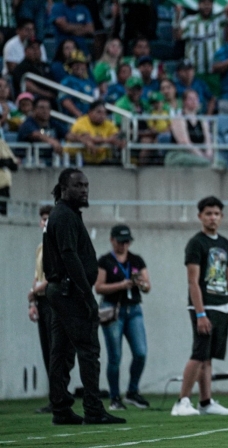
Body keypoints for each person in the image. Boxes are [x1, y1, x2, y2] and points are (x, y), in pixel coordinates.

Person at [43, 169, 126, 425]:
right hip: (70, 292)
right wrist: (87, 295)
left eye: (86, 185)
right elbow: (69, 256)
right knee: (88, 349)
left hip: (61, 291)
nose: (84, 190)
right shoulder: (65, 216)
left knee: (62, 352)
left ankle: (61, 409)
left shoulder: (63, 214)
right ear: (64, 188)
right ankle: (93, 408)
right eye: (78, 185)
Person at [171, 196, 228, 417]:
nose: (213, 217)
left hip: (222, 306)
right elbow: (193, 280)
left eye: (217, 214)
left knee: (209, 356)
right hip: (203, 306)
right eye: (208, 213)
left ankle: (205, 401)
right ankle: (182, 401)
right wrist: (200, 312)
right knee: (199, 354)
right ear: (200, 216)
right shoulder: (196, 243)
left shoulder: (225, 243)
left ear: (221, 217)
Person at [94, 224, 151, 411]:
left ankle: (132, 392)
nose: (124, 245)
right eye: (121, 242)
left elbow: (148, 286)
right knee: (115, 356)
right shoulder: (105, 261)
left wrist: (140, 284)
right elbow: (98, 287)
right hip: (113, 309)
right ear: (112, 240)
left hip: (133, 308)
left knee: (141, 352)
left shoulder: (136, 260)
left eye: (127, 242)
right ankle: (114, 397)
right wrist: (121, 285)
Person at [174, 0, 228, 97]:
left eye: (209, 4)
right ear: (198, 5)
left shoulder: (218, 20)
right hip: (195, 73)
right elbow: (177, 36)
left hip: (215, 73)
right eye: (204, 3)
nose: (207, 6)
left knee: (214, 101)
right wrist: (177, 15)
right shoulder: (189, 21)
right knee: (196, 101)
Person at [27, 204, 54, 413]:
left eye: (48, 219)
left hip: (54, 301)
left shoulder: (56, 245)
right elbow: (37, 276)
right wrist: (32, 301)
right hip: (42, 301)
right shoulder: (40, 247)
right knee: (47, 351)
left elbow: (54, 277)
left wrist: (38, 289)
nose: (45, 222)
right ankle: (55, 398)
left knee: (56, 351)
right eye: (43, 219)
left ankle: (60, 397)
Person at [166, 90, 222, 168]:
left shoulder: (202, 120)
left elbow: (208, 141)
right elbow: (185, 143)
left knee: (221, 163)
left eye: (196, 99)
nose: (194, 101)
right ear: (184, 102)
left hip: (200, 153)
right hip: (180, 154)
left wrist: (209, 153)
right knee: (205, 163)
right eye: (190, 99)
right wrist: (201, 156)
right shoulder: (179, 119)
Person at [18, 97, 73, 162]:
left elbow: (68, 134)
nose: (45, 111)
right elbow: (36, 134)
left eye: (48, 108)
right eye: (41, 108)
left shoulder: (53, 122)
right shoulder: (28, 123)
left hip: (51, 158)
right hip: (30, 159)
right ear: (34, 109)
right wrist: (52, 141)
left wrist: (82, 139)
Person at [69, 100, 124, 165]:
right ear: (90, 112)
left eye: (104, 113)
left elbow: (116, 137)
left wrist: (110, 139)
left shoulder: (107, 123)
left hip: (100, 160)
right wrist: (109, 140)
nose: (102, 115)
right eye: (98, 112)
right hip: (78, 160)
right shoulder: (81, 122)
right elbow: (88, 138)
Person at [58, 50, 97, 118]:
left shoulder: (90, 82)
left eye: (81, 63)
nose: (79, 66)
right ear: (71, 67)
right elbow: (65, 101)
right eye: (75, 64)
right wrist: (80, 116)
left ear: (86, 66)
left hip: (91, 119)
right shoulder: (67, 81)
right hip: (74, 119)